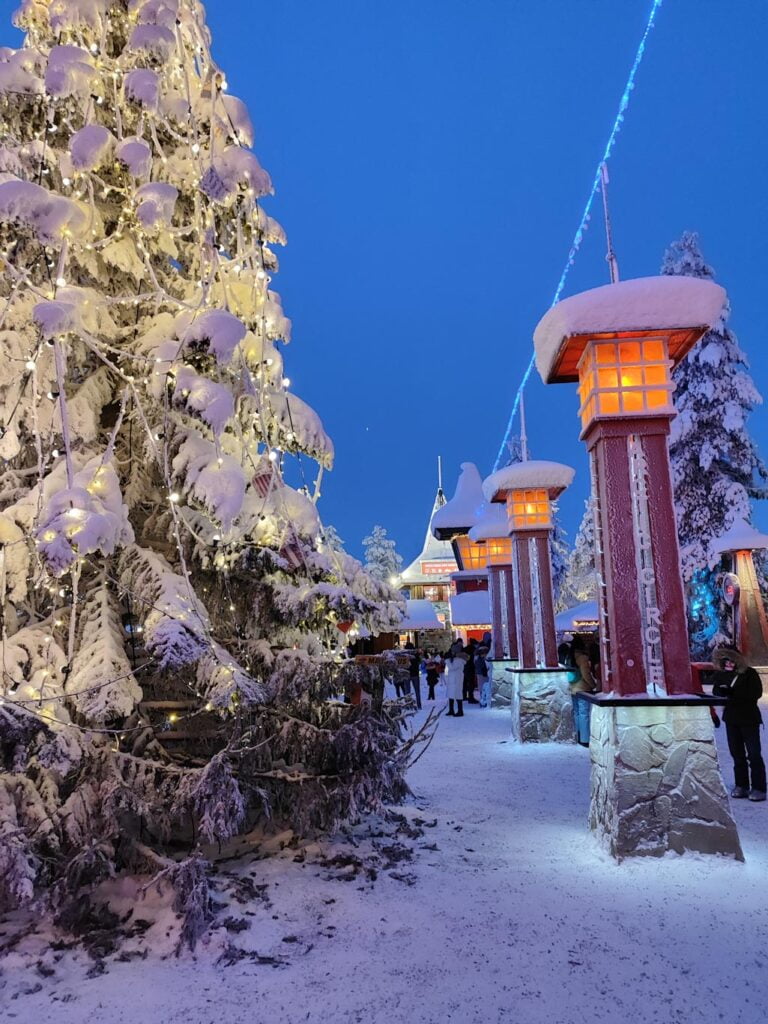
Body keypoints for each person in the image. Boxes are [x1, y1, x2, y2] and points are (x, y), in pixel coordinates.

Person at [712, 646, 766, 801]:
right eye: (725, 660)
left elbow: (756, 693)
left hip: (749, 719)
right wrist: (721, 692)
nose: (728, 663)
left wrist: (734, 693)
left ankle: (759, 787)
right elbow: (716, 690)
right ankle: (741, 785)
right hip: (731, 719)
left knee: (754, 754)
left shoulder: (749, 674)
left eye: (730, 659)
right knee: (737, 754)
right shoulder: (722, 675)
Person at [569, 635, 596, 746]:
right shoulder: (582, 658)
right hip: (583, 688)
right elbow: (586, 674)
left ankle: (577, 735)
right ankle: (584, 739)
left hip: (572, 687)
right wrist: (593, 685)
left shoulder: (570, 656)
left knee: (576, 712)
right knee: (584, 713)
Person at [444, 647, 468, 717]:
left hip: (456, 680)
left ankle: (460, 711)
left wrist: (447, 661)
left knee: (458, 694)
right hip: (453, 679)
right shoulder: (456, 660)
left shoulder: (459, 660)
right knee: (451, 694)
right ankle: (451, 710)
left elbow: (452, 667)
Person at [406, 643, 422, 710]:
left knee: (407, 691)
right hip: (415, 674)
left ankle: (408, 705)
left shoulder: (405, 655)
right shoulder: (416, 654)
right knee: (417, 691)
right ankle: (419, 705)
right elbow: (419, 662)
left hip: (407, 674)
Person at [463, 638, 478, 703]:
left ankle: (464, 696)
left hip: (464, 668)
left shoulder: (464, 649)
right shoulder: (474, 650)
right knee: (471, 684)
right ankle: (471, 698)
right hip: (471, 668)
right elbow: (474, 659)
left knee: (465, 683)